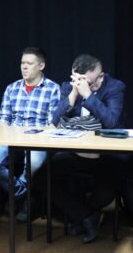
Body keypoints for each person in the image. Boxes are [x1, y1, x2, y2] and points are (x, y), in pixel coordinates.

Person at [40, 54, 127, 242]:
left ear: (100, 76)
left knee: (104, 194)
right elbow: (54, 122)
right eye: (76, 80)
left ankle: (84, 215)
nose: (81, 84)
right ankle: (87, 216)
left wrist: (88, 95)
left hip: (106, 154)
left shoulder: (114, 87)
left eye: (87, 82)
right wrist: (73, 93)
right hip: (76, 152)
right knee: (42, 177)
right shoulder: (68, 87)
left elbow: (112, 122)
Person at [0, 47, 60, 208]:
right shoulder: (12, 88)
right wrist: (9, 136)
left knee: (34, 162)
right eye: (22, 63)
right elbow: (4, 119)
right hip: (12, 139)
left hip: (38, 141)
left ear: (41, 66)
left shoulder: (53, 89)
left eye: (29, 63)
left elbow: (52, 124)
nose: (24, 67)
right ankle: (21, 192)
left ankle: (20, 195)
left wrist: (34, 138)